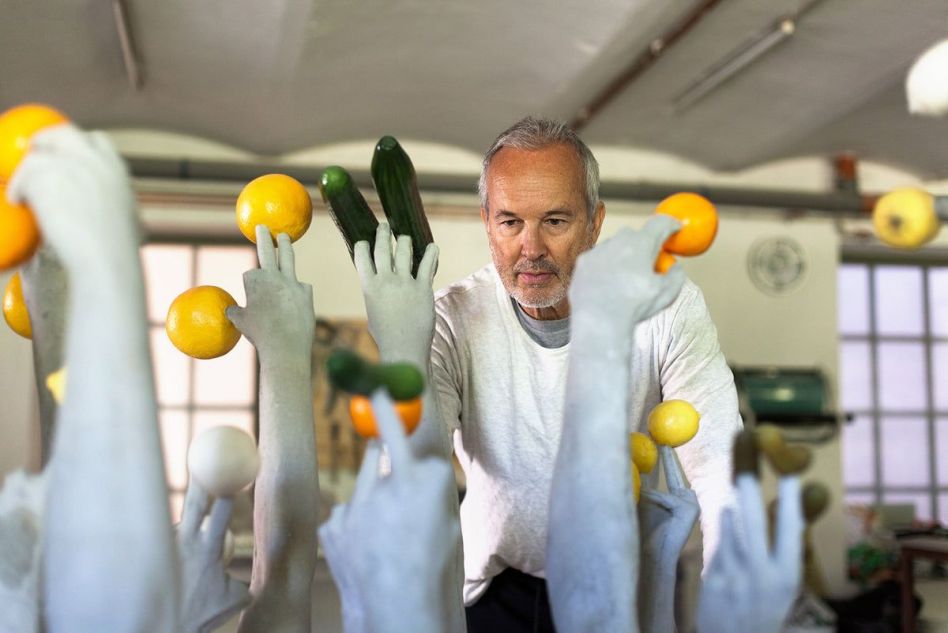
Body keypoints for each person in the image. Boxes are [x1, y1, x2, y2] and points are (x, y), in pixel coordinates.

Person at [423, 116, 742, 630]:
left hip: (622, 583)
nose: (530, 248)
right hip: (498, 589)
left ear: (595, 222)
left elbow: (721, 461)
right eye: (510, 222)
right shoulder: (449, 319)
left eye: (554, 221)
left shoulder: (667, 303)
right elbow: (416, 466)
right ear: (487, 222)